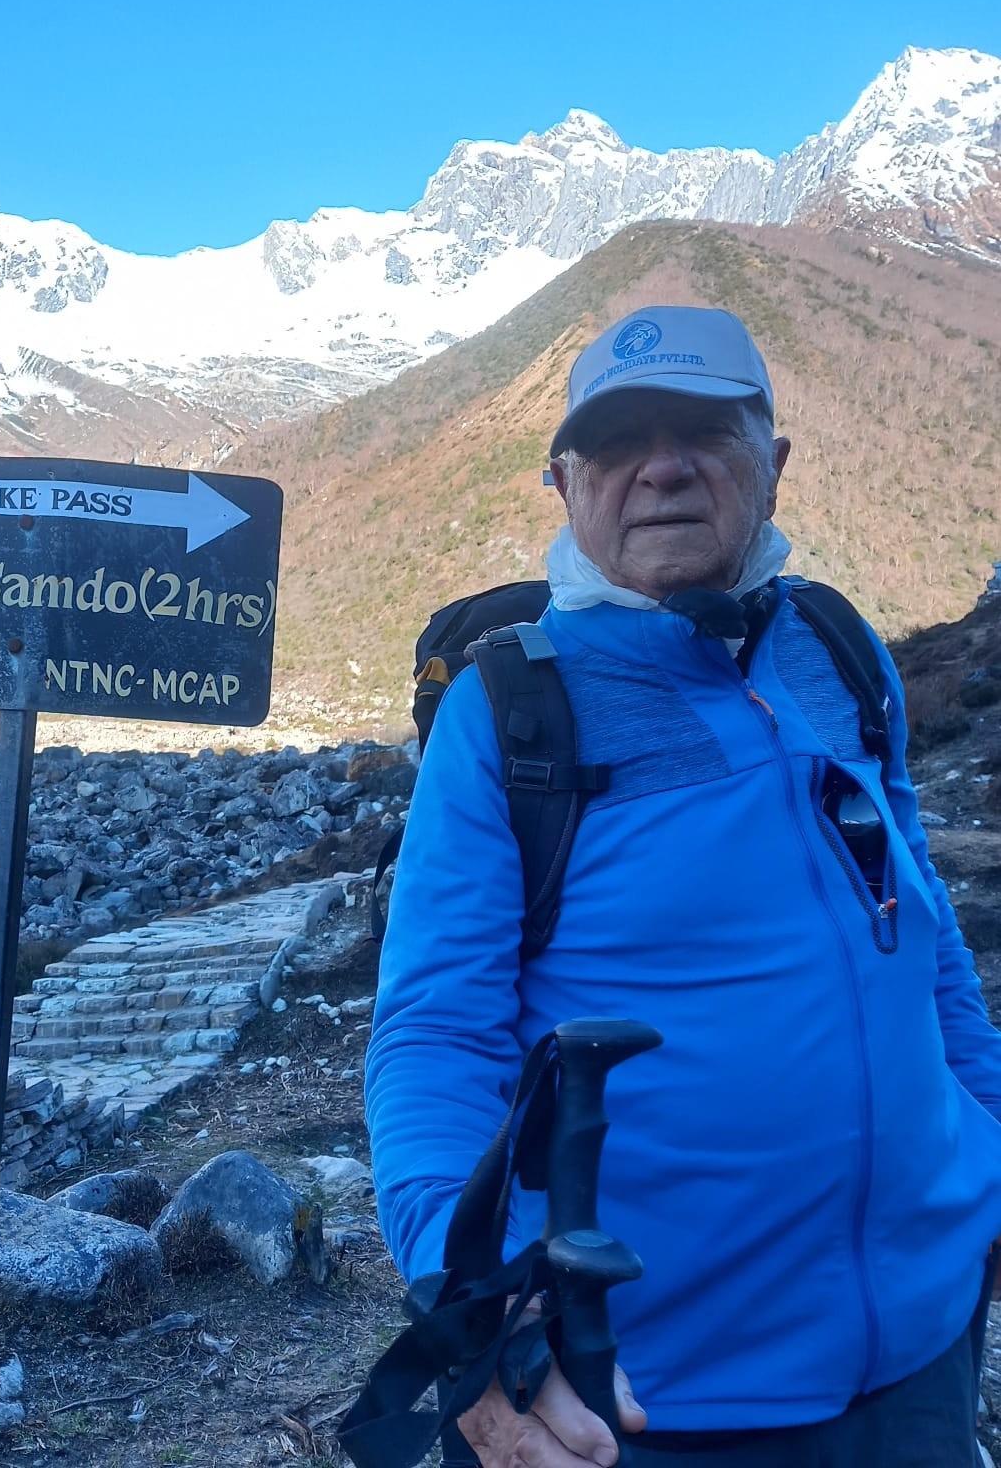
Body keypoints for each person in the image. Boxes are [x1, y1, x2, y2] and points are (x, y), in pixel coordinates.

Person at [365, 305, 1001, 1468]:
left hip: (921, 1347)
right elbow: (429, 1034)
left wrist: (989, 1144)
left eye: (704, 427)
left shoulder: (836, 649)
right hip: (647, 1396)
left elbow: (919, 936)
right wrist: (472, 1314)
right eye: (616, 442)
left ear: (773, 459)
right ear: (564, 481)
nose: (661, 466)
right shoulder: (508, 716)